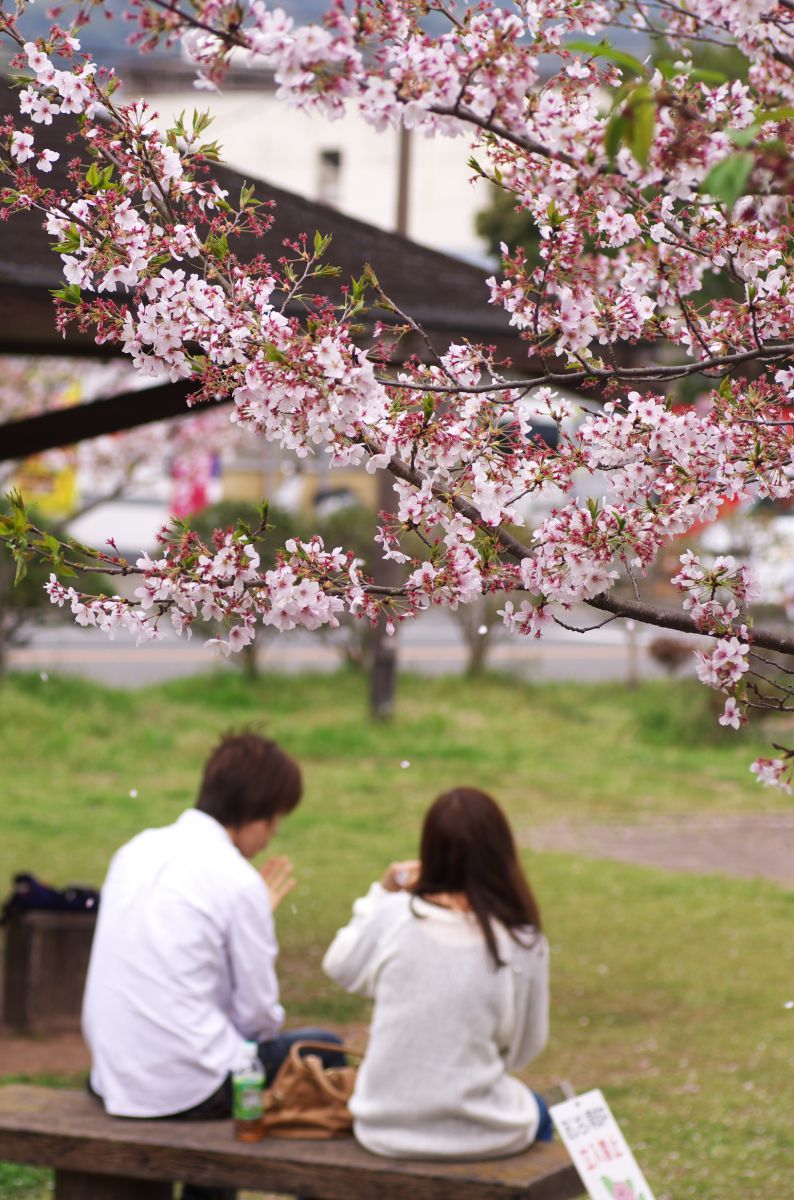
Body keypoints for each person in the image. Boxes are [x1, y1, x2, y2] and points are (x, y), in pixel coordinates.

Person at [82, 731, 343, 1200]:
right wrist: (255, 913)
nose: (275, 832)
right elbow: (258, 1019)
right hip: (185, 1089)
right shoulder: (238, 882)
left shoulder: (135, 849)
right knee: (323, 1050)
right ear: (256, 812)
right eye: (277, 817)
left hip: (111, 1077)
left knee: (222, 1056)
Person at [322, 786, 551, 1160]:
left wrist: (382, 892)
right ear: (501, 854)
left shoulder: (395, 916)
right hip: (484, 1129)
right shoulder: (522, 941)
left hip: (383, 1125)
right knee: (543, 1113)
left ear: (429, 852)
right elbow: (525, 1049)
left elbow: (340, 966)